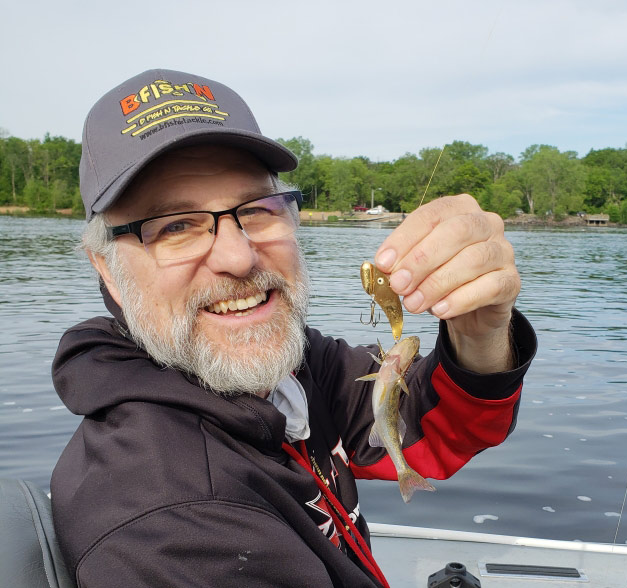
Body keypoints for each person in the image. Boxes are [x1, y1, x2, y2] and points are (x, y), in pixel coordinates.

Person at [50, 69, 537, 587]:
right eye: (175, 226)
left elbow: (433, 431)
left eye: (257, 210)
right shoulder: (174, 530)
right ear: (107, 269)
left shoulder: (291, 368)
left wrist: (480, 331)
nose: (238, 257)